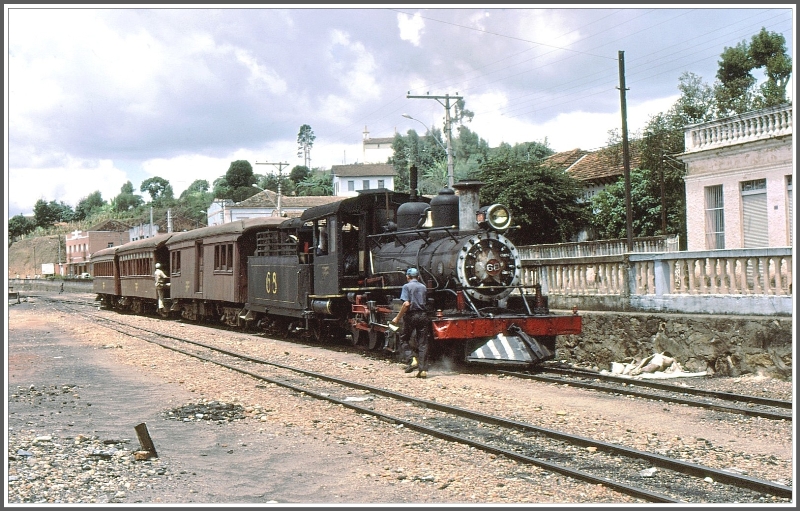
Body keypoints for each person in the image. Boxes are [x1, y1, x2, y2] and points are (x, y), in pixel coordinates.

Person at [391, 267, 429, 378]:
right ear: (418, 277)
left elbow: (406, 304)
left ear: (407, 277)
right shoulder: (423, 287)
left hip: (411, 316)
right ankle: (423, 370)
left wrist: (397, 318)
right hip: (423, 315)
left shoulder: (406, 286)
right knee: (422, 343)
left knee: (403, 338)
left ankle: (412, 359)